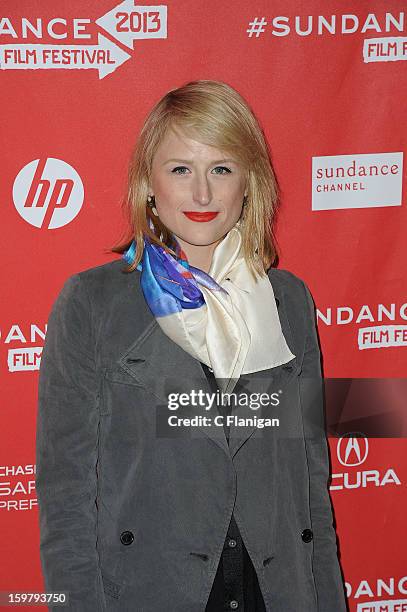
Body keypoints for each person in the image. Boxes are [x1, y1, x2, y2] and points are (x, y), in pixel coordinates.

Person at [36, 79, 347, 611]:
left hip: (273, 593)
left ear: (249, 183)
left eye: (221, 169)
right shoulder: (93, 303)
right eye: (181, 169)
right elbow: (65, 494)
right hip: (150, 591)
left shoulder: (289, 301)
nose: (202, 194)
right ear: (148, 184)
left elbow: (311, 481)